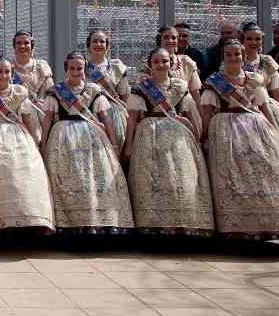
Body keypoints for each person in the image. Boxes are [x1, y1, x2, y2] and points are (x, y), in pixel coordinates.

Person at [200, 39, 279, 239]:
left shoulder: (254, 79)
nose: (233, 57)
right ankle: (233, 223)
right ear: (223, 57)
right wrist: (205, 135)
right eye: (228, 54)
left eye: (237, 54)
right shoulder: (214, 82)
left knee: (265, 169)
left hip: (255, 127)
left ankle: (269, 219)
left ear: (243, 56)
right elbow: (207, 113)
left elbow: (263, 107)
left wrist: (274, 130)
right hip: (225, 130)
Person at [40, 52, 133, 234]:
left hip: (92, 138)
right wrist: (43, 144)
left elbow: (105, 118)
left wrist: (114, 144)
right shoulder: (56, 91)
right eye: (72, 68)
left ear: (84, 69)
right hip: (62, 138)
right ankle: (67, 222)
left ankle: (95, 221)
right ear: (66, 69)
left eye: (80, 68)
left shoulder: (93, 90)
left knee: (92, 177)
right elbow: (47, 120)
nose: (76, 71)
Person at [124, 47, 213, 236]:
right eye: (156, 61)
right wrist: (129, 145)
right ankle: (152, 223)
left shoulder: (180, 86)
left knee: (179, 176)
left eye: (164, 61)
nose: (160, 64)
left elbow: (190, 113)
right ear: (150, 65)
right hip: (148, 135)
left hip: (177, 136)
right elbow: (132, 119)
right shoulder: (141, 88)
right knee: (151, 178)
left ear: (170, 64)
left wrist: (197, 136)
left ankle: (181, 221)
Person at [0, 56, 54, 232]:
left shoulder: (19, 92)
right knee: (1, 176)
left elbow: (28, 119)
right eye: (0, 72)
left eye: (7, 72)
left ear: (12, 73)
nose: (3, 75)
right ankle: (3, 221)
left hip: (19, 136)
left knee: (26, 174)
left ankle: (28, 217)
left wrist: (34, 142)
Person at [85, 30, 130, 151]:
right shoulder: (82, 67)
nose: (98, 44)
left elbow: (124, 95)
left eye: (102, 41)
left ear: (107, 46)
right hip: (89, 112)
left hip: (113, 113)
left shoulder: (116, 67)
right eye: (95, 41)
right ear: (89, 45)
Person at [155, 26, 203, 125]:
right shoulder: (150, 63)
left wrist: (201, 118)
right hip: (158, 116)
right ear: (159, 40)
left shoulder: (186, 62)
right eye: (166, 37)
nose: (170, 41)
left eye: (173, 38)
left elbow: (195, 94)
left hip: (185, 114)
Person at [10, 30, 53, 104]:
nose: (22, 46)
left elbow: (50, 94)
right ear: (14, 46)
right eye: (18, 43)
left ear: (32, 46)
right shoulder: (7, 68)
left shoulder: (42, 67)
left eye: (26, 43)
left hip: (39, 109)